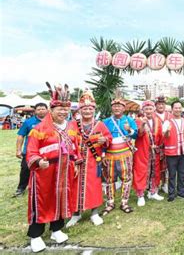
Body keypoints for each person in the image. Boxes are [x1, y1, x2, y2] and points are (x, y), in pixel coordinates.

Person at [26, 83, 81, 252]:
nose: (63, 112)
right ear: (52, 109)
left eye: (66, 109)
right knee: (43, 202)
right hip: (45, 173)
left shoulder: (71, 126)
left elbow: (76, 145)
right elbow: (31, 151)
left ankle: (56, 229)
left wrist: (77, 161)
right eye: (60, 109)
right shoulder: (39, 128)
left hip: (65, 172)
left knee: (62, 199)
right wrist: (37, 161)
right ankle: (35, 236)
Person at [67, 90, 112, 227]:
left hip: (93, 161)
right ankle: (76, 214)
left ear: (94, 110)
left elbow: (109, 138)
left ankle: (94, 213)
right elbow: (68, 140)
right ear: (80, 110)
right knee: (75, 187)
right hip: (76, 162)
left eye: (90, 109)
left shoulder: (100, 124)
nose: (87, 111)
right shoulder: (73, 124)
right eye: (84, 109)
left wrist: (105, 140)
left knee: (94, 187)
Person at [102, 96, 138, 215]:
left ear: (124, 108)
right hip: (109, 154)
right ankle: (110, 202)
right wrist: (102, 154)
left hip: (125, 153)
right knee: (109, 179)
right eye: (114, 106)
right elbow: (101, 138)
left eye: (119, 106)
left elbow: (136, 135)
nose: (117, 108)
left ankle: (124, 202)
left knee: (126, 178)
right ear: (112, 108)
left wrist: (129, 130)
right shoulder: (105, 122)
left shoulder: (129, 120)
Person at [133, 100, 164, 207]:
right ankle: (140, 195)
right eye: (146, 109)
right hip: (142, 151)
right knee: (141, 171)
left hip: (154, 151)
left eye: (150, 109)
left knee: (154, 171)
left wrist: (159, 147)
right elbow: (139, 134)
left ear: (154, 109)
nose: (148, 111)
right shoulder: (138, 120)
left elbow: (160, 135)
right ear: (143, 110)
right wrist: (143, 124)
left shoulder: (158, 121)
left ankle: (153, 192)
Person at [13, 103, 48, 197]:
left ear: (47, 110)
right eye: (39, 109)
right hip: (29, 152)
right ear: (35, 111)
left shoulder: (52, 121)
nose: (41, 111)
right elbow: (21, 136)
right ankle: (20, 189)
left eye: (43, 109)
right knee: (25, 170)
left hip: (46, 152)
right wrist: (18, 150)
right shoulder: (28, 122)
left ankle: (43, 190)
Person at [162, 101, 184, 202]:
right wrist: (167, 131)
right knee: (172, 174)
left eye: (179, 108)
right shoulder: (167, 122)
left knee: (182, 173)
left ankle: (181, 191)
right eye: (176, 108)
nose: (178, 110)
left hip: (183, 151)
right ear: (172, 109)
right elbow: (165, 136)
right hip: (172, 152)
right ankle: (171, 193)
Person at [155, 96, 172, 194]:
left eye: (162, 104)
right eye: (158, 104)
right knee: (156, 167)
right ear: (156, 105)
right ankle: (155, 185)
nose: (161, 106)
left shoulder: (170, 115)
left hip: (168, 145)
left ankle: (165, 184)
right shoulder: (152, 115)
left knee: (167, 166)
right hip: (156, 145)